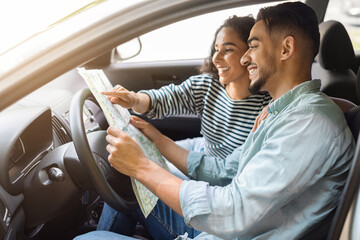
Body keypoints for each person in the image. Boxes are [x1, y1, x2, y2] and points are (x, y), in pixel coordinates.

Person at [75, 1, 355, 240]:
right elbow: (226, 171)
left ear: (285, 49)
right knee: (128, 184)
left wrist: (142, 167)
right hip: (220, 229)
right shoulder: (284, 113)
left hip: (225, 226)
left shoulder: (307, 123)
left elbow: (232, 211)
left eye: (253, 46)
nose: (246, 58)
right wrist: (155, 143)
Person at [97, 15, 271, 236]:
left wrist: (159, 142)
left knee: (130, 179)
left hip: (217, 202)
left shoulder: (266, 109)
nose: (217, 58)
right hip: (203, 169)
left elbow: (227, 174)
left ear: (249, 55)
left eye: (228, 50)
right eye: (215, 49)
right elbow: (165, 98)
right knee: (130, 174)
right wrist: (133, 99)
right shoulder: (208, 85)